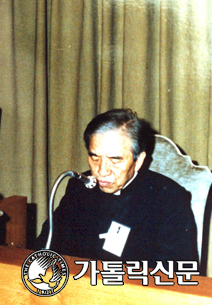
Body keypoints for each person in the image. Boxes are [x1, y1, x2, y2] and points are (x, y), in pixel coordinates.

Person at [36, 109, 198, 267]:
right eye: (95, 157)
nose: (102, 171)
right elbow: (46, 244)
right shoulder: (79, 187)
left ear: (139, 160)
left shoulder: (169, 198)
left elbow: (175, 271)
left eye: (115, 160)